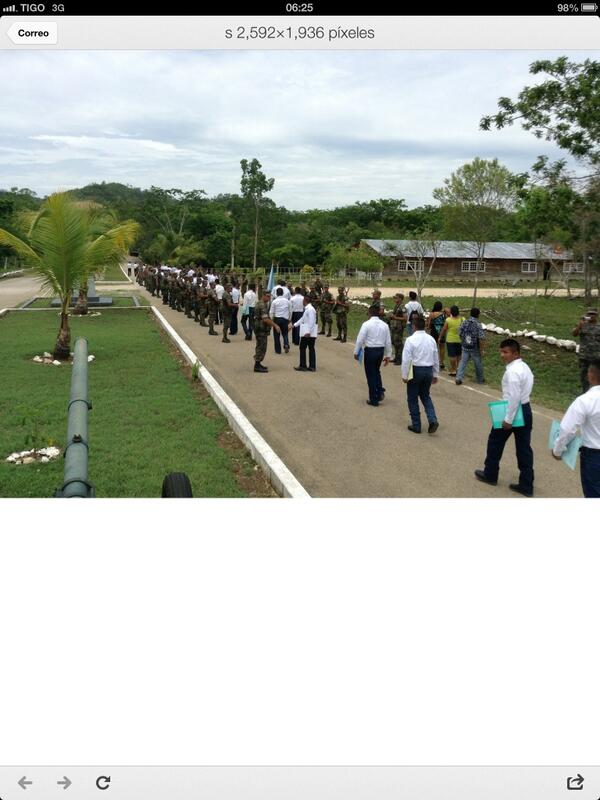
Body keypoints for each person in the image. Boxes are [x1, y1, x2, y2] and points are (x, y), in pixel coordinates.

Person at [474, 339, 534, 497]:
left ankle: (490, 474)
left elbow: (514, 397)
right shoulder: (525, 367)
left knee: (495, 442)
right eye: (501, 351)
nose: (502, 355)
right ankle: (527, 484)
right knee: (524, 448)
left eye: (506, 352)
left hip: (512, 409)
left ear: (516, 354)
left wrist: (508, 418)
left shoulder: (512, 372)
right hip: (526, 409)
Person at [552, 360, 600, 497]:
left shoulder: (585, 400)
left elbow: (567, 429)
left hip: (594, 456)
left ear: (590, 375)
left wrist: (557, 450)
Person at [401, 315, 439, 433]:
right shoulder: (431, 339)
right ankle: (432, 419)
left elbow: (406, 359)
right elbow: (435, 357)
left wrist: (404, 375)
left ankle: (416, 424)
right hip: (428, 370)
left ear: (414, 326)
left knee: (412, 397)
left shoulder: (410, 340)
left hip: (416, 370)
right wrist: (435, 373)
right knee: (425, 395)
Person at [354, 305, 392, 406]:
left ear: (370, 313)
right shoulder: (385, 325)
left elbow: (360, 339)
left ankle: (373, 399)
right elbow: (388, 341)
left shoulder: (366, 324)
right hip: (380, 351)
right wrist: (388, 355)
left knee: (370, 374)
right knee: (376, 371)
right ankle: (379, 391)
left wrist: (356, 352)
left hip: (370, 351)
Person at [455, 307, 486, 385]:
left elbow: (460, 333)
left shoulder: (464, 322)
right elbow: (481, 338)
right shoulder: (478, 324)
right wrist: (482, 350)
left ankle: (459, 377)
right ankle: (480, 379)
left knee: (463, 362)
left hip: (465, 346)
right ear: (478, 315)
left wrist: (462, 341)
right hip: (474, 347)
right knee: (477, 363)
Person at [572, 308, 600, 393]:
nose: (591, 316)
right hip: (584, 356)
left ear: (596, 315)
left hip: (597, 356)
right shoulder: (582, 325)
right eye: (589, 314)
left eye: (593, 314)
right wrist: (579, 326)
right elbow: (574, 334)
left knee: (597, 376)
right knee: (584, 377)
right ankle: (585, 393)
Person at [253, 290, 281, 373]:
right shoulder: (262, 305)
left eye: (270, 296)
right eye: (268, 296)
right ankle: (257, 365)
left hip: (261, 328)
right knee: (261, 346)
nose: (269, 298)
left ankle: (258, 363)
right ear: (264, 295)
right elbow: (265, 319)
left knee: (261, 346)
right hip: (261, 328)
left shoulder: (262, 303)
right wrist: (275, 325)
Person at [293, 295, 318, 372]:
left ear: (305, 300)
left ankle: (303, 365)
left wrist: (308, 332)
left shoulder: (310, 309)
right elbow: (302, 319)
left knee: (303, 348)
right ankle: (312, 366)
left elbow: (312, 321)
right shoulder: (308, 309)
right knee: (311, 348)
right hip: (309, 332)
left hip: (307, 333)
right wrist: (294, 325)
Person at [439, 305, 464, 376]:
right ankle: (458, 369)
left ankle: (453, 369)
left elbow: (444, 329)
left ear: (451, 312)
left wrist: (440, 337)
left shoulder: (448, 320)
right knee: (459, 355)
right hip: (460, 340)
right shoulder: (463, 319)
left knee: (452, 355)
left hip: (450, 340)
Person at [270, 287, 292, 354]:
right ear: (283, 293)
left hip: (277, 319)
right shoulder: (287, 301)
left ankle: (278, 350)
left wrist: (271, 320)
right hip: (285, 319)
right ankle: (286, 344)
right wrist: (289, 319)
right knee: (285, 333)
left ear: (276, 293)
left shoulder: (274, 301)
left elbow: (271, 312)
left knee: (276, 335)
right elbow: (290, 311)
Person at [427, 301, 446, 370]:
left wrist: (428, 328)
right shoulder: (443, 314)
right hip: (441, 331)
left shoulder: (432, 314)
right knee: (442, 347)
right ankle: (441, 362)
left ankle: (432, 361)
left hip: (434, 331)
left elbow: (429, 324)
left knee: (433, 347)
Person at [389, 293, 406, 365]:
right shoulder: (396, 306)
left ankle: (400, 359)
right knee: (394, 342)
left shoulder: (403, 307)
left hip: (399, 327)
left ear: (400, 299)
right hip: (394, 327)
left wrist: (395, 317)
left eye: (396, 298)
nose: (395, 299)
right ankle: (396, 357)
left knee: (398, 343)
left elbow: (405, 318)